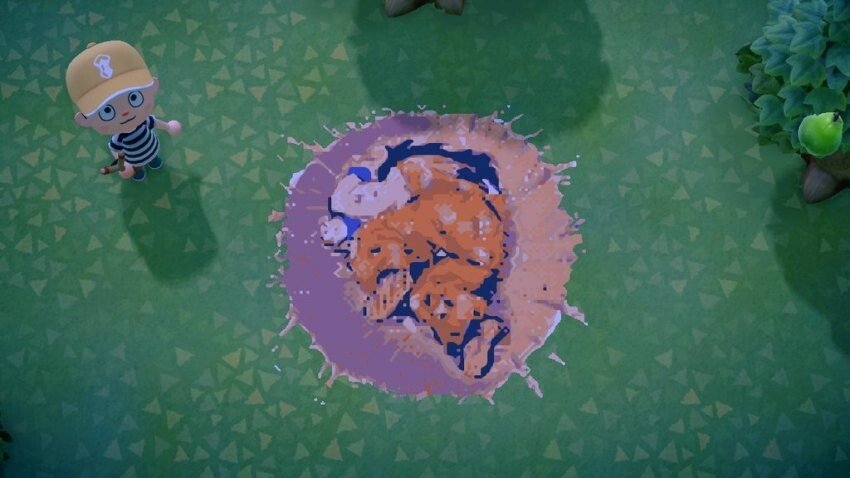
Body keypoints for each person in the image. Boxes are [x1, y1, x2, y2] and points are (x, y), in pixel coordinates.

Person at [66, 40, 182, 181]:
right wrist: (123, 164)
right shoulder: (119, 138)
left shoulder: (145, 121)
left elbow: (155, 123)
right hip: (135, 158)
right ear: (84, 120)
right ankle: (138, 170)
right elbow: (115, 149)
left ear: (153, 86)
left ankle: (152, 160)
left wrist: (168, 126)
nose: (124, 112)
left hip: (151, 149)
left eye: (134, 98)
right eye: (107, 111)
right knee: (137, 165)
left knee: (152, 157)